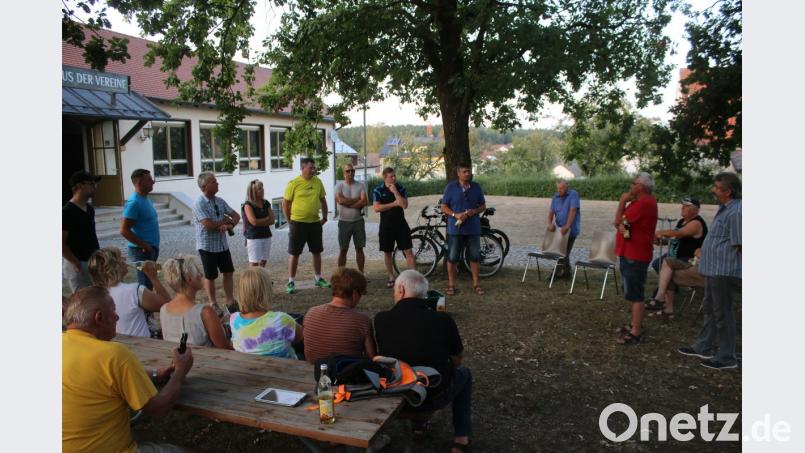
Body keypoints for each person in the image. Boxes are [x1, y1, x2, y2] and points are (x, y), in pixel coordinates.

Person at [63, 286, 194, 453]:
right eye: (113, 311)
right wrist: (180, 371)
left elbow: (99, 376)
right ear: (99, 317)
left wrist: (155, 374)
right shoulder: (113, 354)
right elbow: (159, 409)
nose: (117, 317)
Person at [373, 270, 472, 453]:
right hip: (435, 395)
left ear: (401, 290)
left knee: (407, 368)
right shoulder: (443, 320)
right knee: (464, 374)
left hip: (397, 396)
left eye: (394, 291)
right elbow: (457, 360)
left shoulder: (381, 319)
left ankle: (419, 424)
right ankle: (461, 437)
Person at [678, 172, 742, 370]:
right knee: (711, 310)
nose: (713, 190)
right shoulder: (725, 209)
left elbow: (740, 243)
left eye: (716, 187)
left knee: (723, 313)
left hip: (724, 270)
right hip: (713, 270)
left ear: (728, 191)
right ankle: (704, 346)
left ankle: (727, 356)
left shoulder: (737, 212)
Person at [613, 172, 658, 345]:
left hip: (635, 254)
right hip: (630, 251)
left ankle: (636, 332)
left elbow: (619, 223)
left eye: (633, 183)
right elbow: (623, 227)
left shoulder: (644, 203)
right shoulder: (639, 203)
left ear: (641, 186)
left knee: (636, 293)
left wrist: (622, 202)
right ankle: (634, 324)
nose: (630, 186)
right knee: (631, 290)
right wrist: (622, 226)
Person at [646, 197, 708, 318]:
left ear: (695, 210)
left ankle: (660, 298)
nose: (682, 208)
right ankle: (667, 308)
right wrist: (660, 241)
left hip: (689, 258)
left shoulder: (696, 222)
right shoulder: (681, 222)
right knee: (658, 264)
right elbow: (674, 239)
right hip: (676, 256)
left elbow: (678, 233)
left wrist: (659, 232)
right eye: (683, 205)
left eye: (686, 206)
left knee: (665, 264)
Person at [88, 247, 171, 338]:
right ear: (113, 267)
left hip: (114, 344)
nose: (125, 259)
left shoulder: (93, 296)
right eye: (120, 258)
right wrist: (153, 277)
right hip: (142, 345)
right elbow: (168, 306)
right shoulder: (133, 290)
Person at [303, 267, 375, 363]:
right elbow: (372, 358)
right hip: (345, 374)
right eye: (362, 293)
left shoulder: (311, 312)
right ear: (354, 293)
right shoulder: (362, 321)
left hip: (313, 370)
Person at [160, 255, 233, 349]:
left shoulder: (164, 309)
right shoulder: (205, 312)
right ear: (188, 278)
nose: (201, 274)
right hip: (205, 361)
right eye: (197, 271)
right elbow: (224, 348)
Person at [192, 171, 240, 310]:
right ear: (205, 186)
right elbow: (208, 225)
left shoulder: (219, 201)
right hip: (207, 246)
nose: (217, 183)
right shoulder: (198, 203)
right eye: (214, 181)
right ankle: (213, 303)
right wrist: (223, 220)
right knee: (210, 275)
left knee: (228, 272)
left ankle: (230, 302)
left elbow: (236, 215)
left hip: (222, 245)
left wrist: (230, 224)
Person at [230, 267, 303, 358]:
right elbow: (301, 337)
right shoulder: (281, 320)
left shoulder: (234, 319)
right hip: (284, 369)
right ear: (266, 291)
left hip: (248, 368)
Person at [283, 157, 331, 294]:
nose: (313, 170)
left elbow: (323, 200)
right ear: (302, 168)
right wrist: (289, 221)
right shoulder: (294, 183)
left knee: (317, 251)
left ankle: (318, 278)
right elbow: (285, 203)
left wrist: (325, 217)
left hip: (315, 223)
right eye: (310, 168)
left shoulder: (318, 182)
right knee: (294, 252)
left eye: (313, 168)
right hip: (298, 223)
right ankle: (291, 281)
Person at [441, 163, 487, 296]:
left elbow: (483, 205)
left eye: (469, 171)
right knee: (453, 257)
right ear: (458, 173)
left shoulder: (476, 187)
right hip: (455, 230)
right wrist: (456, 214)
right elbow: (443, 207)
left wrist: (474, 211)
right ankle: (451, 284)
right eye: (465, 172)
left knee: (474, 257)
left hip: (473, 228)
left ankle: (476, 284)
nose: (468, 174)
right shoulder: (450, 188)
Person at [373, 167, 415, 288]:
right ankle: (391, 277)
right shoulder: (378, 190)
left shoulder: (401, 188)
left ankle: (413, 277)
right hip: (386, 225)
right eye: (391, 176)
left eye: (394, 176)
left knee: (408, 250)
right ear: (385, 177)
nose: (394, 178)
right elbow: (376, 208)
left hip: (401, 224)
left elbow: (404, 205)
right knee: (387, 252)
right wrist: (393, 204)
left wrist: (395, 192)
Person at [121, 169, 161, 290]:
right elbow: (124, 230)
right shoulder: (134, 203)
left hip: (152, 249)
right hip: (141, 251)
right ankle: (145, 309)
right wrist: (144, 245)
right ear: (139, 183)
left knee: (152, 281)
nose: (153, 182)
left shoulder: (146, 199)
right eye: (149, 180)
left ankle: (148, 308)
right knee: (145, 286)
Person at [63, 170, 101, 292]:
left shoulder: (89, 209)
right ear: (79, 186)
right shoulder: (67, 212)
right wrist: (75, 262)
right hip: (78, 263)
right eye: (91, 183)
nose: (95, 187)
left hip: (92, 262)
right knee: (83, 302)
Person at [335, 163, 368, 274]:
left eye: (352, 171)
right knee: (343, 249)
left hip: (358, 222)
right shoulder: (339, 186)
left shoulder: (361, 185)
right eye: (348, 171)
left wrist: (348, 202)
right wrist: (356, 199)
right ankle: (340, 275)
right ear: (344, 173)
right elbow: (340, 201)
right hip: (344, 222)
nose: (350, 173)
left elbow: (364, 201)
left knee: (359, 249)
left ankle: (361, 273)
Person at [546, 178, 581, 278]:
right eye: (558, 188)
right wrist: (549, 223)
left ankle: (555, 273)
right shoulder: (555, 197)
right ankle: (567, 273)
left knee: (563, 252)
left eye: (562, 188)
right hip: (559, 230)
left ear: (567, 187)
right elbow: (551, 212)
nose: (559, 190)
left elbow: (573, 210)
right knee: (564, 252)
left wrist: (567, 226)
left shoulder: (573, 194)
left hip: (571, 230)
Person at [242, 179, 275, 268]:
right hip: (254, 237)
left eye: (262, 188)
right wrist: (266, 219)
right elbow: (253, 222)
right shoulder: (248, 205)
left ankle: (261, 280)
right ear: (253, 192)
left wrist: (260, 221)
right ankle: (253, 281)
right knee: (254, 263)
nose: (262, 190)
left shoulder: (265, 203)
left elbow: (272, 220)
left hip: (266, 235)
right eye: (260, 189)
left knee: (263, 262)